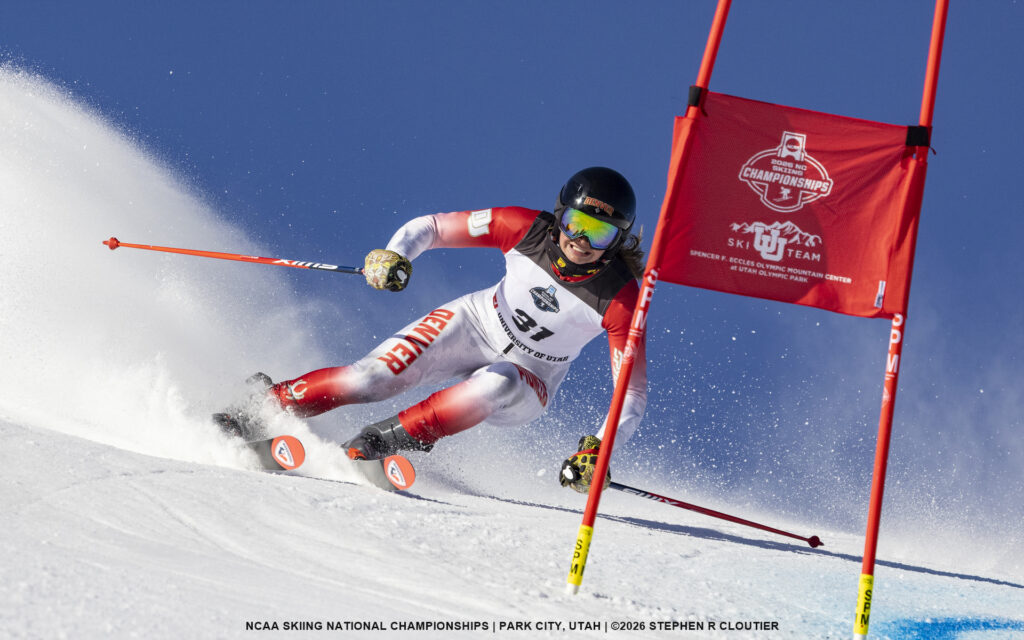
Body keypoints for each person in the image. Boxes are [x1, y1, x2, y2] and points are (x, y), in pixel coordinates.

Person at [220, 167, 648, 493]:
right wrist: (396, 255)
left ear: (616, 241)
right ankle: (260, 407)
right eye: (576, 223)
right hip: (477, 321)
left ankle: (376, 444)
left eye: (599, 233)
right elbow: (434, 228)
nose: (581, 241)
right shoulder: (523, 228)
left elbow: (631, 392)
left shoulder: (621, 300)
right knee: (372, 378)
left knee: (498, 380)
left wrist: (599, 448)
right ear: (559, 215)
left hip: (533, 375)